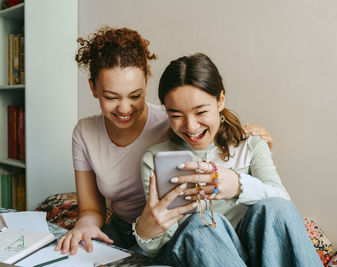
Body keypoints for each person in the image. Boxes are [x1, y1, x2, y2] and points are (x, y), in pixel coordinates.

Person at [55, 26, 272, 255]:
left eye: (135, 95)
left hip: (177, 227)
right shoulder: (84, 133)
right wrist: (85, 225)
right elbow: (91, 208)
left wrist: (252, 137)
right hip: (125, 228)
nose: (124, 108)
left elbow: (212, 126)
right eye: (111, 97)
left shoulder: (174, 120)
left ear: (147, 82)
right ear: (93, 89)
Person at [134, 53, 323, 267]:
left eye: (201, 112)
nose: (191, 126)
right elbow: (157, 248)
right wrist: (147, 230)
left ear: (220, 100)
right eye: (176, 115)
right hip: (196, 253)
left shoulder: (250, 143)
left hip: (251, 249)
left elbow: (283, 206)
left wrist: (239, 185)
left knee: (277, 207)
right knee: (201, 225)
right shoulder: (156, 158)